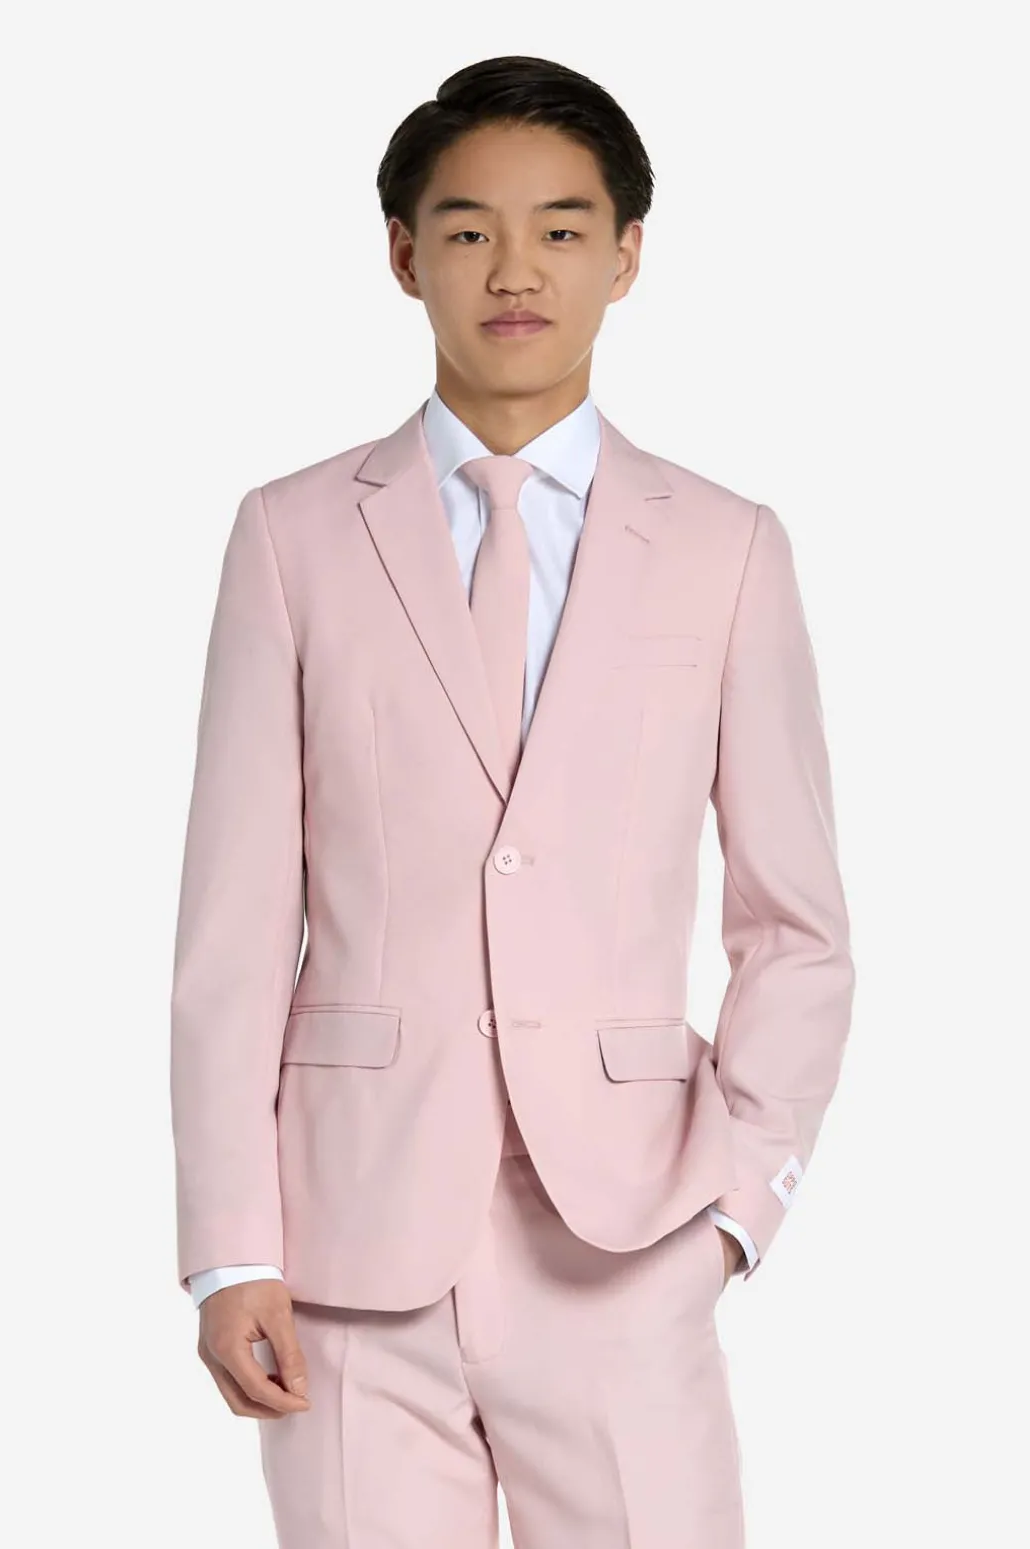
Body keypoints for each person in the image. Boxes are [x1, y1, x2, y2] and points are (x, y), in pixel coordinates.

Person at [169, 53, 855, 1549]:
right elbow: (232, 930)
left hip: (628, 1242)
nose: (515, 270)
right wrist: (229, 1250)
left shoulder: (728, 548)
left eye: (561, 227)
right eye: (470, 228)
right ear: (403, 253)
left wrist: (737, 1208)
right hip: (347, 1253)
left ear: (626, 255)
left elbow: (797, 926)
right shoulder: (292, 536)